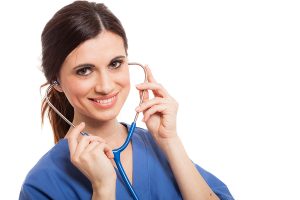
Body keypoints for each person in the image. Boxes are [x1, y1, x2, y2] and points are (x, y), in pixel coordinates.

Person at [19, 1, 234, 199]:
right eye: (84, 70)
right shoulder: (42, 184)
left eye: (115, 64)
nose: (105, 86)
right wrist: (102, 188)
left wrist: (170, 141)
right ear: (56, 81)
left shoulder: (159, 145)